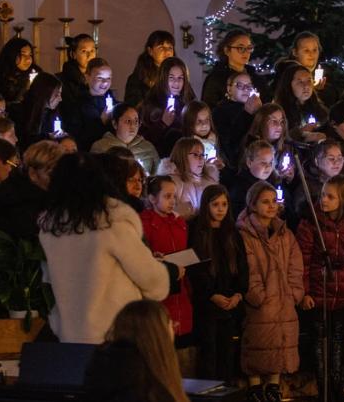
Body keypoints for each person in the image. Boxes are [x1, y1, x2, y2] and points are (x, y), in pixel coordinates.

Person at [38, 153, 179, 344]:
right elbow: (154, 282)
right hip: (115, 334)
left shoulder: (50, 228)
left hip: (70, 335)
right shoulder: (112, 222)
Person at [297, 175, 344, 402]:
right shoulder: (311, 221)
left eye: (330, 196)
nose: (324, 200)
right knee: (320, 338)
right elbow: (304, 260)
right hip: (320, 284)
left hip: (343, 285)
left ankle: (337, 387)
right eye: (323, 195)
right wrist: (306, 291)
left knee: (338, 337)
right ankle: (324, 388)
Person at [236, 181, 304, 402]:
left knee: (280, 342)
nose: (271, 206)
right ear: (253, 204)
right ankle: (255, 386)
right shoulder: (246, 234)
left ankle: (274, 384)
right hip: (261, 302)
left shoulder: (284, 233)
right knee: (259, 342)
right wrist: (258, 295)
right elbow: (249, 267)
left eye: (274, 201)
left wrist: (294, 291)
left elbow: (295, 264)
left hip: (284, 298)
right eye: (265, 202)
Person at [188, 184, 249, 382]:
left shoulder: (232, 233)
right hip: (207, 305)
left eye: (224, 204)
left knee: (227, 354)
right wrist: (211, 294)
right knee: (209, 354)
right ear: (206, 206)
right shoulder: (197, 233)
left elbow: (242, 267)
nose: (220, 209)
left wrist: (238, 294)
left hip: (229, 304)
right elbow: (195, 270)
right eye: (215, 205)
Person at [84, 300, 190, 402]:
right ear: (159, 331)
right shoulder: (149, 376)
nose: (173, 330)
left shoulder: (102, 363)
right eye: (171, 324)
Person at [141, 176, 193, 346]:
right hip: (159, 292)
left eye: (174, 197)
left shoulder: (179, 223)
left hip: (180, 290)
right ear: (152, 198)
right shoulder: (144, 223)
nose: (172, 201)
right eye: (167, 196)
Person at [0, 140, 65, 241]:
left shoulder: (54, 195)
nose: (59, 178)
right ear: (33, 174)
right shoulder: (16, 202)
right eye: (51, 174)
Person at [139, 57, 197, 156]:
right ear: (163, 79)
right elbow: (144, 139)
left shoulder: (188, 102)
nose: (176, 82)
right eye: (171, 78)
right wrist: (163, 124)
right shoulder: (152, 103)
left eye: (180, 78)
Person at [201, 30, 270, 107]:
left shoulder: (257, 79)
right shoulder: (216, 79)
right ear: (227, 50)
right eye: (240, 48)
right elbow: (208, 109)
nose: (246, 52)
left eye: (249, 48)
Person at [212, 71, 262, 175]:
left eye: (249, 86)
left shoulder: (255, 109)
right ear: (229, 89)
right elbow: (230, 141)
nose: (245, 89)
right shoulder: (221, 111)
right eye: (240, 85)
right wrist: (247, 114)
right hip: (233, 166)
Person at [157, 137, 219, 221]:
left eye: (203, 155)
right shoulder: (172, 182)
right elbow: (165, 212)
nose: (201, 159)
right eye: (196, 155)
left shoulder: (209, 181)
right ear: (182, 156)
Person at [91, 104, 159, 176]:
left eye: (136, 121)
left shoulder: (148, 147)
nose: (133, 126)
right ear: (115, 124)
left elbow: (158, 175)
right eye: (128, 121)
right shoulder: (101, 147)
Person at [274, 63, 329, 143]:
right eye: (300, 82)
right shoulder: (279, 112)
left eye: (309, 80)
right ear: (289, 85)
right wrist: (300, 133)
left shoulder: (320, 108)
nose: (306, 86)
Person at [124, 30, 177, 106]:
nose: (167, 51)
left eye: (170, 48)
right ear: (150, 51)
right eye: (161, 48)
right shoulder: (138, 78)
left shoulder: (178, 75)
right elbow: (132, 105)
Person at [57, 34, 96, 134]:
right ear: (73, 54)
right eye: (84, 51)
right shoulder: (62, 80)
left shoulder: (97, 76)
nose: (89, 55)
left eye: (92, 51)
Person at [0, 37, 41, 107]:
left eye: (30, 55)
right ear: (12, 55)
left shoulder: (35, 73)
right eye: (23, 54)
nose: (28, 59)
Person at [229, 140, 276, 217]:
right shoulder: (239, 188)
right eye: (263, 163)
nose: (268, 167)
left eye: (270, 163)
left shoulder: (273, 183)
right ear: (249, 163)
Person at [22, 72, 63, 148]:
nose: (60, 99)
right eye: (56, 95)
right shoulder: (22, 113)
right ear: (44, 93)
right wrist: (47, 137)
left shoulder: (51, 113)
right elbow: (24, 140)